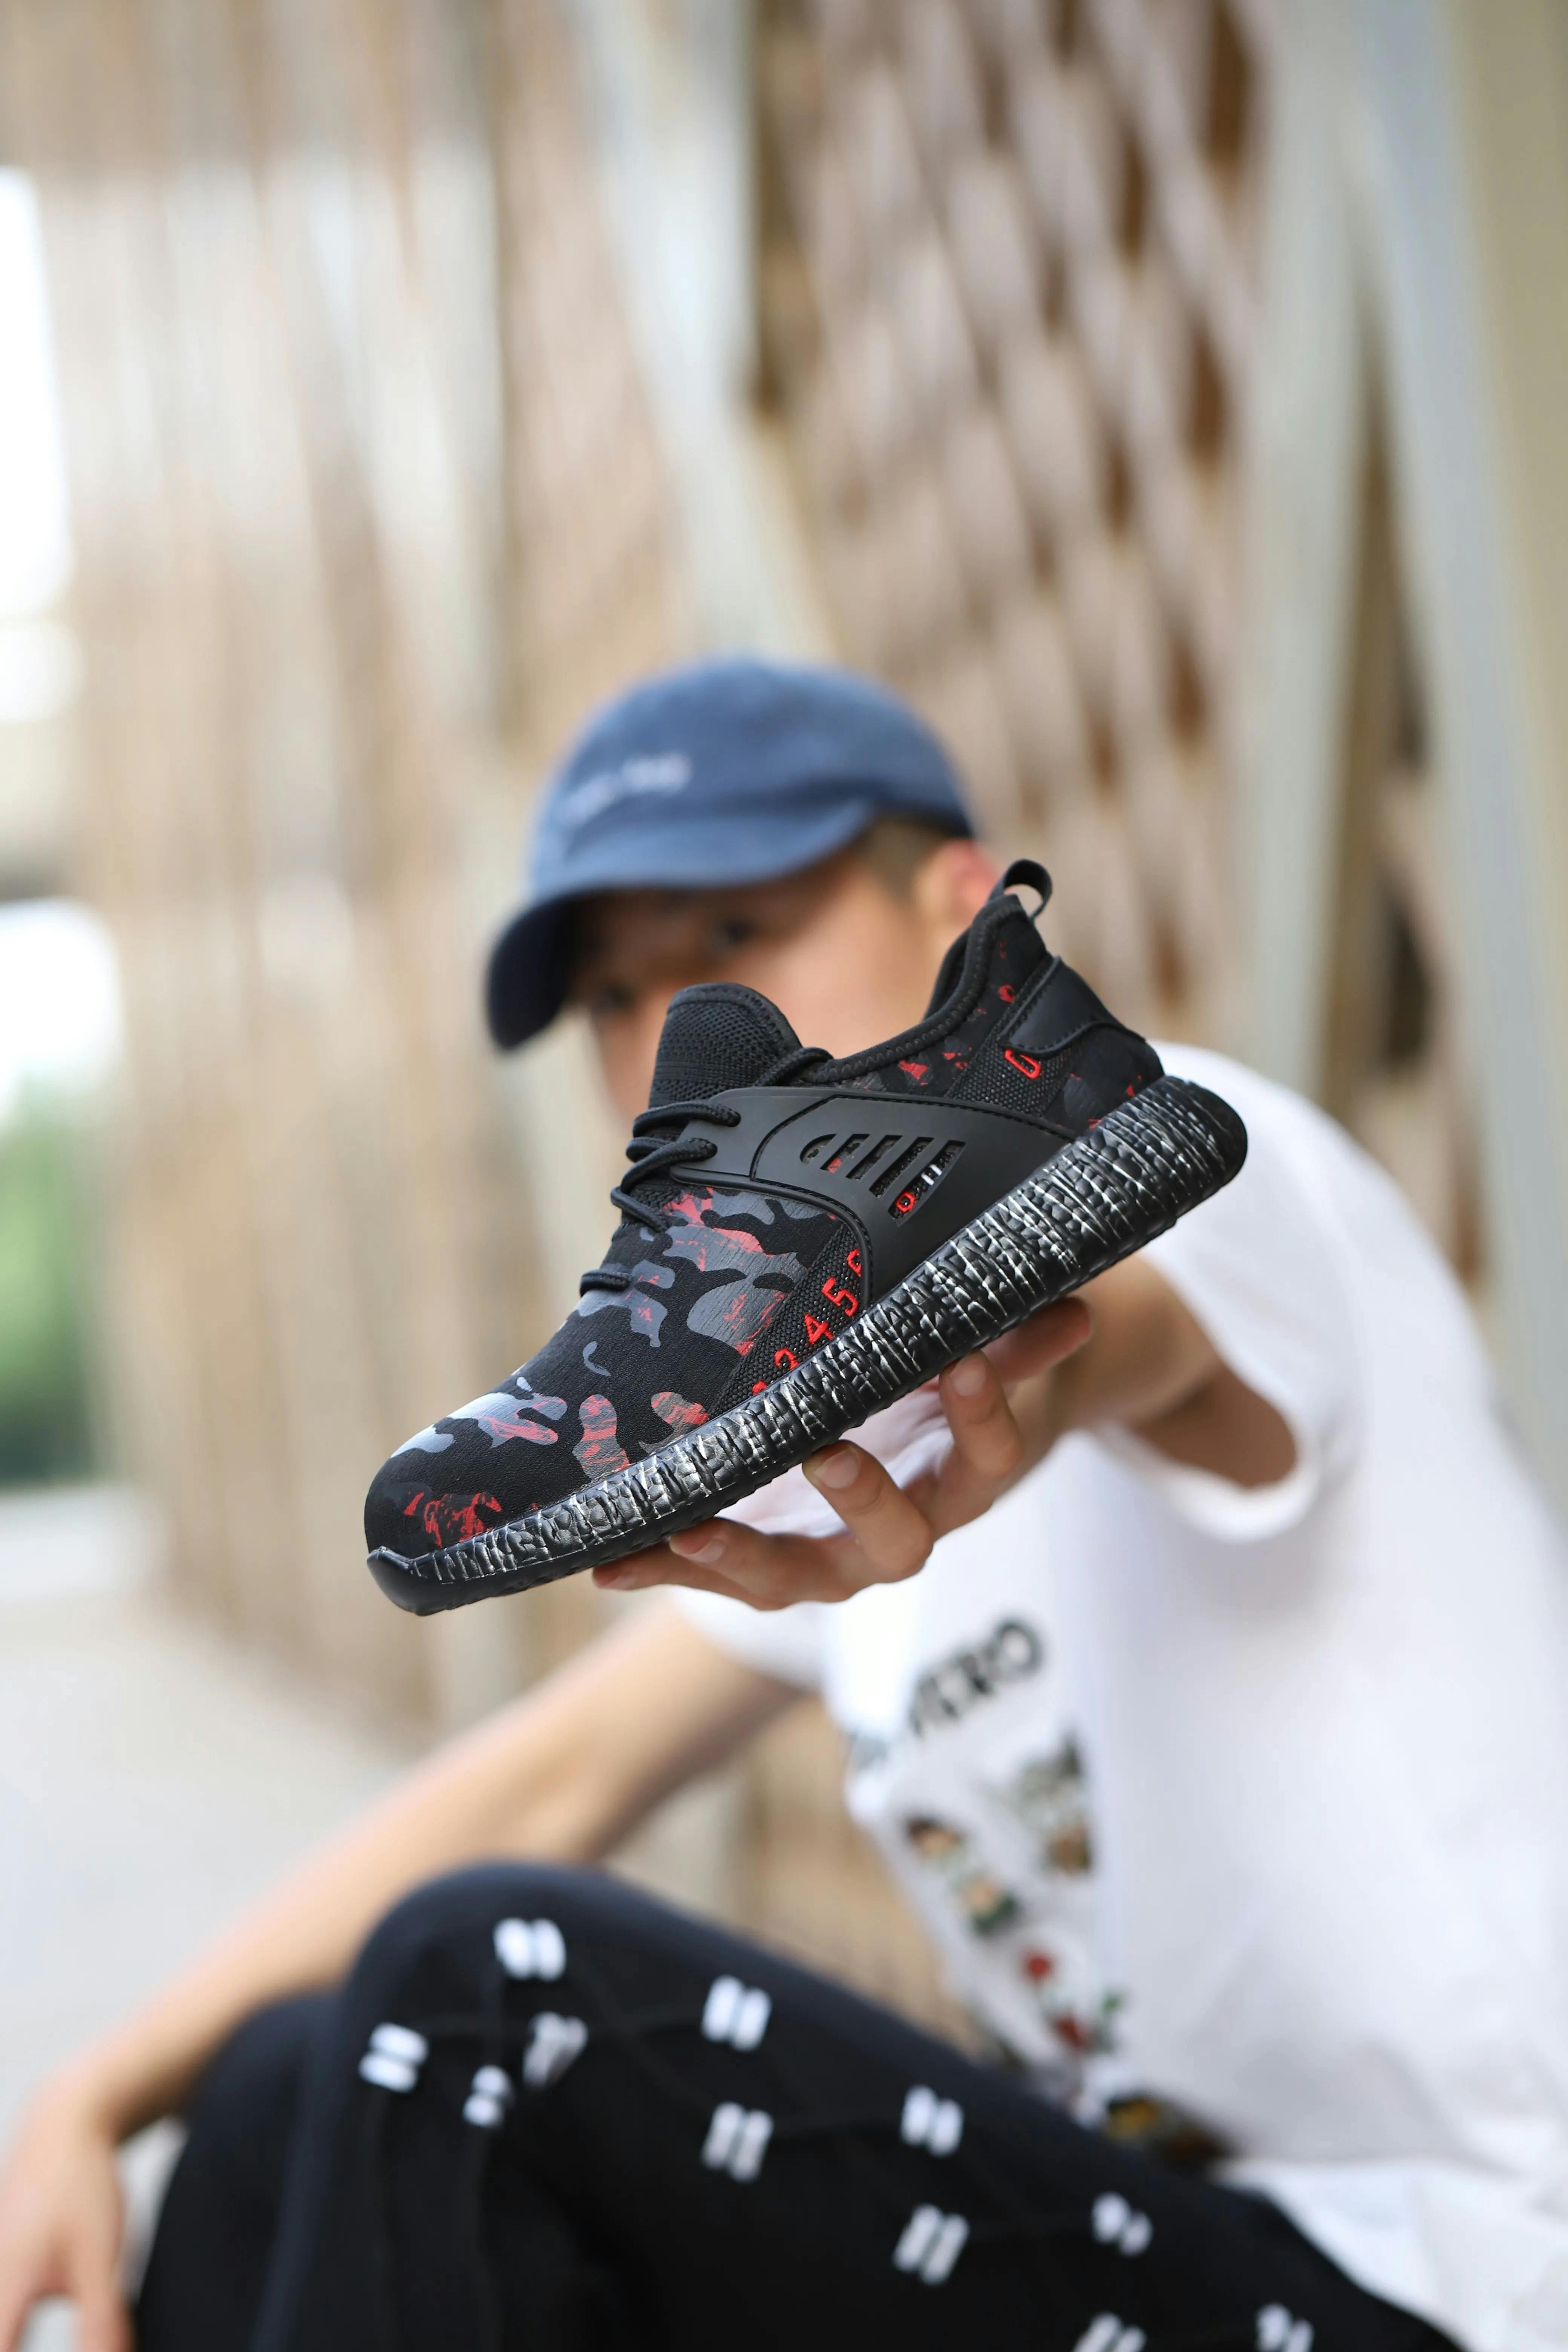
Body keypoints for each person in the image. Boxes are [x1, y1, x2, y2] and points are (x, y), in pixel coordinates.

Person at [3, 657, 1566, 2352]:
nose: (663, 1029)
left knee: (485, 1994)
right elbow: (550, 1776)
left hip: (1462, 2285)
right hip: (1168, 2254)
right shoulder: (815, 1446)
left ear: (961, 903)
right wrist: (95, 2091)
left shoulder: (1211, 1158)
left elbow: (1110, 1339)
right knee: (283, 2077)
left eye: (733, 934)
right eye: (614, 995)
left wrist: (978, 1374)